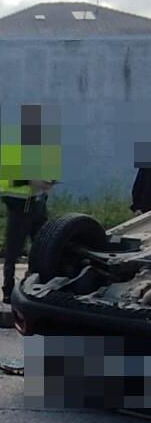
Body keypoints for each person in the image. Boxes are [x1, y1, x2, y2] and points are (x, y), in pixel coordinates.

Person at [0, 105, 60, 326]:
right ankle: (8, 290)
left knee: (43, 247)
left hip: (38, 203)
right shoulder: (14, 147)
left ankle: (37, 285)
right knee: (14, 251)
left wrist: (49, 181)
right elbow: (6, 178)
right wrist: (31, 180)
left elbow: (50, 173)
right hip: (19, 206)